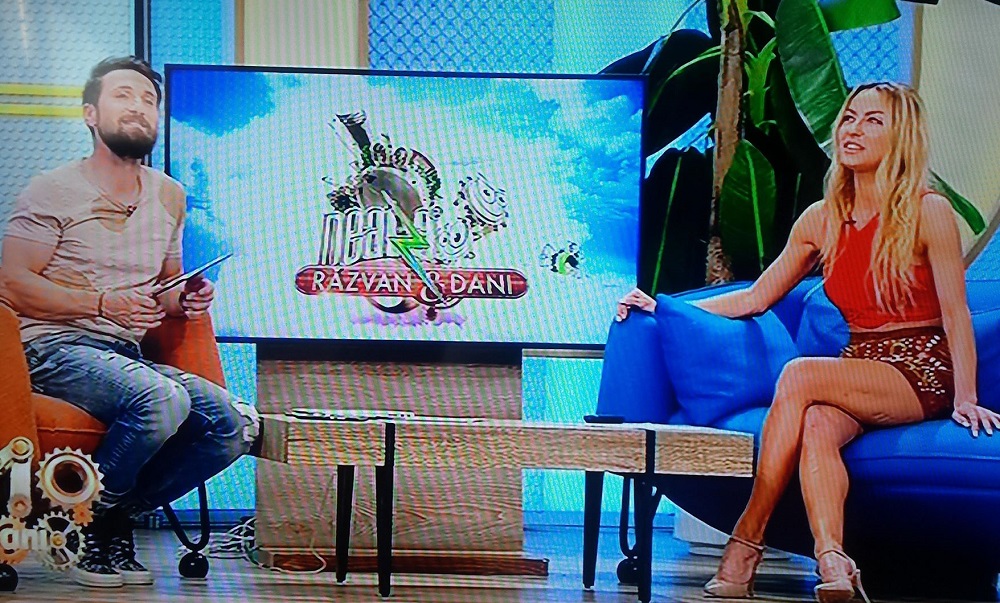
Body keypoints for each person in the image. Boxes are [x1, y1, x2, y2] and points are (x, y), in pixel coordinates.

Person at [616, 82, 1000, 602]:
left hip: (921, 369)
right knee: (816, 424)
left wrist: (966, 397)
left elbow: (956, 313)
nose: (853, 130)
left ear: (901, 137)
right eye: (849, 118)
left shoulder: (928, 211)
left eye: (873, 121)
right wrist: (664, 308)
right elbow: (756, 297)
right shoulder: (820, 220)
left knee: (800, 374)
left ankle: (746, 539)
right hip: (859, 365)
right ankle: (834, 562)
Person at [0, 56, 259, 589]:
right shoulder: (52, 189)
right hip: (52, 347)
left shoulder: (169, 194)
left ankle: (99, 516)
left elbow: (164, 287)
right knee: (164, 400)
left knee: (234, 425)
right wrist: (101, 304)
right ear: (91, 114)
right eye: (123, 95)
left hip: (124, 355)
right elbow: (11, 283)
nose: (139, 107)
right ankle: (87, 525)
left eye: (148, 100)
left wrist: (187, 299)